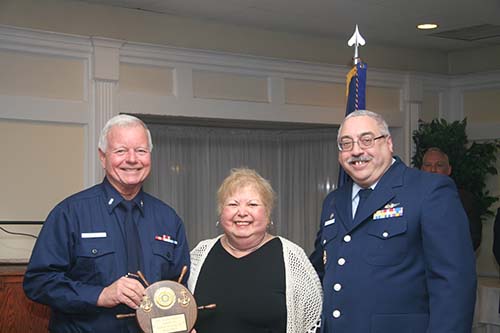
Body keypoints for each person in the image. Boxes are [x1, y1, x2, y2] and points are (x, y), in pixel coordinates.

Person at [310, 110, 476, 332]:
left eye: (366, 140)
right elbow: (321, 270)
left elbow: (453, 283)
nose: (356, 150)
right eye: (346, 144)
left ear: (388, 143)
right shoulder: (333, 201)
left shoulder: (429, 191)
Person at [23, 114, 191, 332]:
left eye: (140, 151)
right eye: (121, 151)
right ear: (103, 157)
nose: (132, 159)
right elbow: (38, 282)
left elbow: (178, 289)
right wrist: (100, 295)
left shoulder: (168, 219)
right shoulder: (71, 213)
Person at [188, 168, 322, 333]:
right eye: (232, 204)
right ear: (221, 212)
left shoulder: (292, 257)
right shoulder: (199, 254)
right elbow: (180, 308)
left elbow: (313, 319)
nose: (242, 213)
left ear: (267, 213)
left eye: (252, 204)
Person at [421, 147, 482, 250]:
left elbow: (473, 239)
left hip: (453, 260)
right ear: (421, 170)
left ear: (449, 170)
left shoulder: (465, 200)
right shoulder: (410, 198)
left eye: (439, 165)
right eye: (428, 165)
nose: (433, 170)